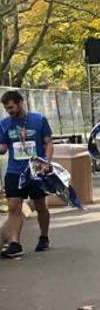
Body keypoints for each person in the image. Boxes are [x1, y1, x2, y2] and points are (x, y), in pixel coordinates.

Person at [0, 90, 54, 258]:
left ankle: (44, 237)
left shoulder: (38, 120)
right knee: (14, 206)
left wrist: (47, 162)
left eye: (11, 107)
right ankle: (15, 243)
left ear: (20, 102)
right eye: (6, 109)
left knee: (40, 206)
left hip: (36, 170)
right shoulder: (4, 124)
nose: (10, 111)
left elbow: (48, 143)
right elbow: (2, 148)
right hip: (14, 171)